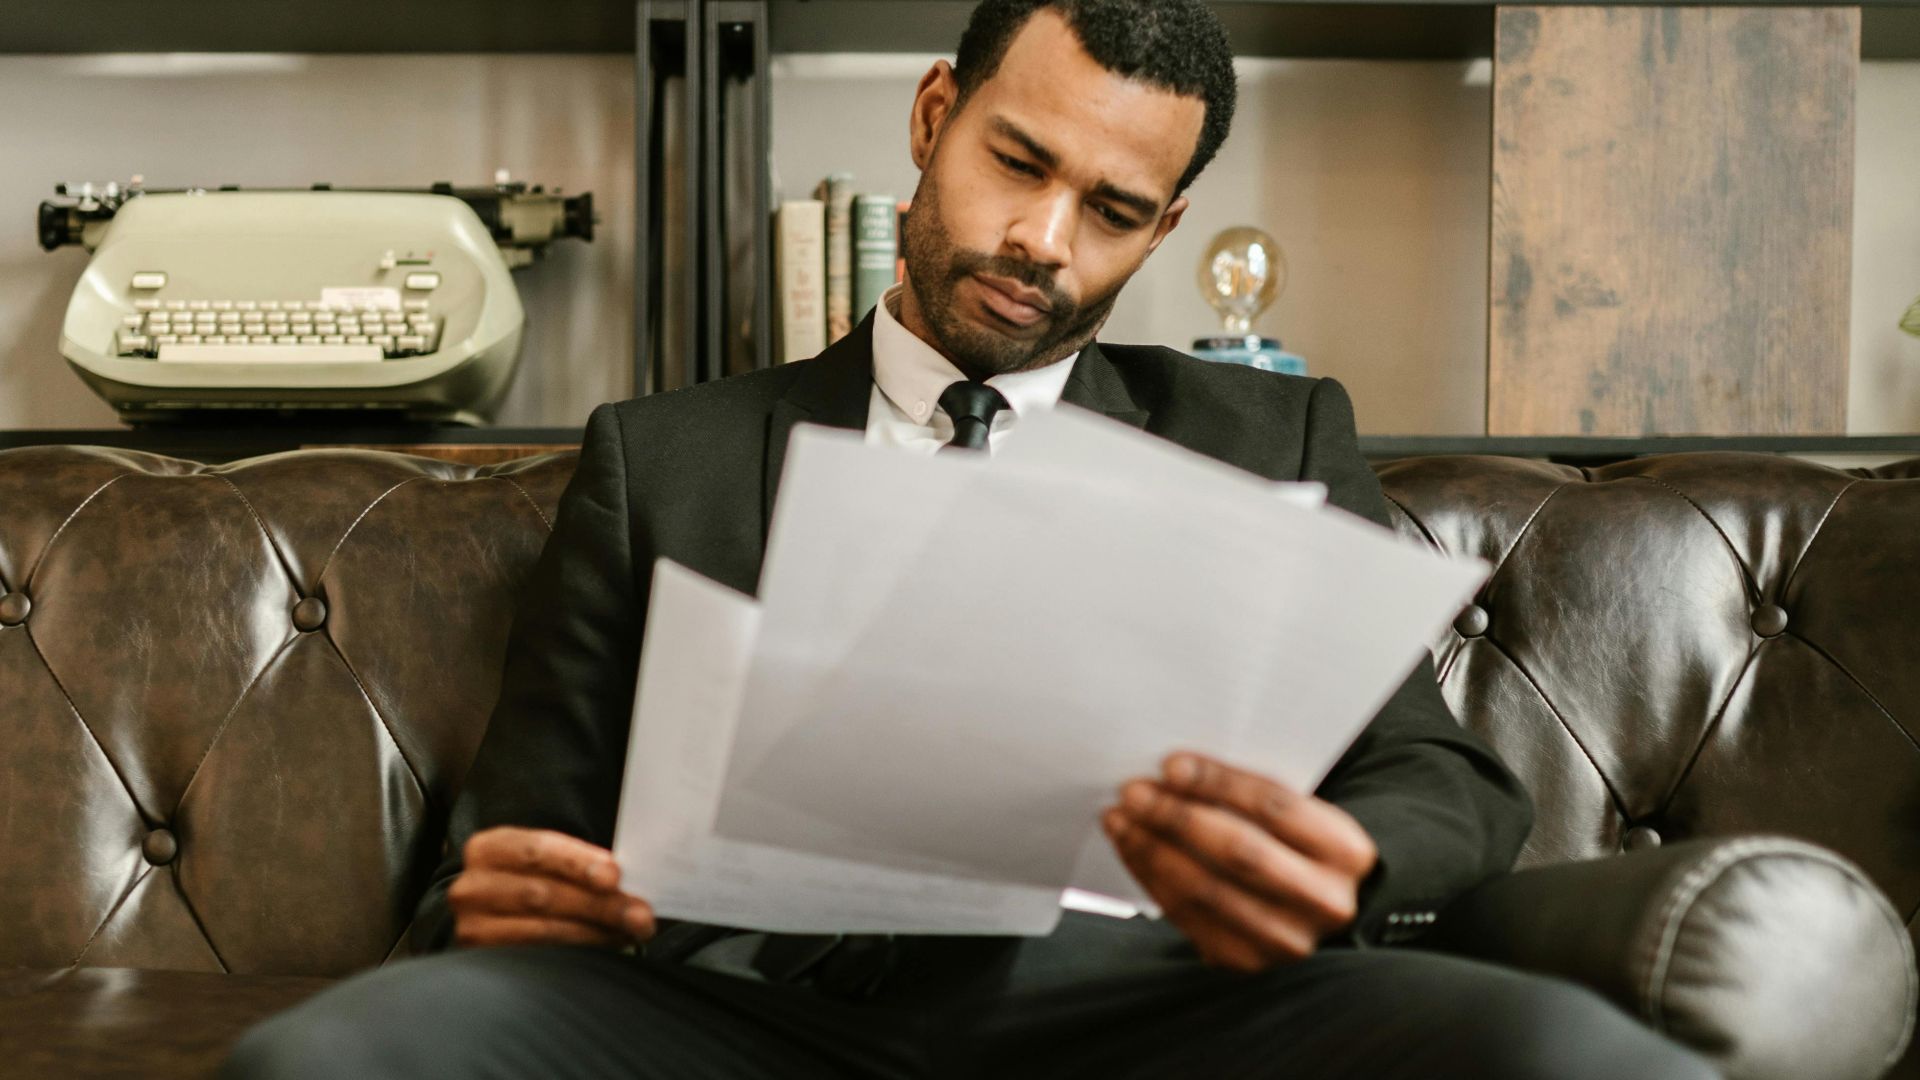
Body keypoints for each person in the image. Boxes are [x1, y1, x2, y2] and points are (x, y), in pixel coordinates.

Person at [226, 2, 1718, 1077]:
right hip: (752, 1016)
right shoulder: (658, 460)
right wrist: (490, 899)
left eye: (1115, 210)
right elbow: (507, 839)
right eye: (1020, 164)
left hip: (1152, 1008)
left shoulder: (1271, 433)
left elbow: (1441, 776)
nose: (1045, 242)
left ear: (1166, 225)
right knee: (338, 1060)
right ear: (937, 116)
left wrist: (1346, 857)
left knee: (1577, 1060)